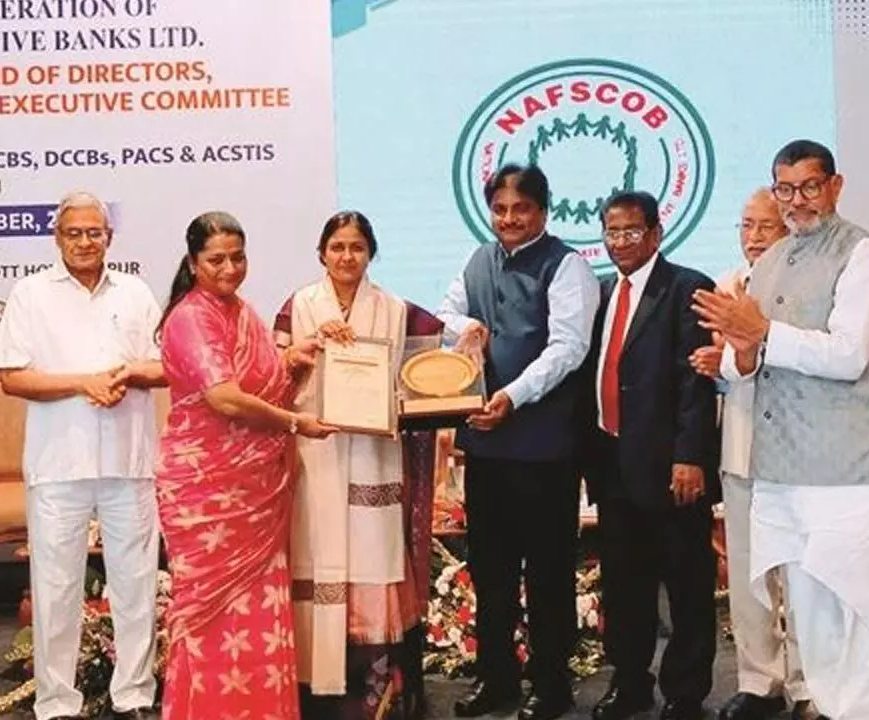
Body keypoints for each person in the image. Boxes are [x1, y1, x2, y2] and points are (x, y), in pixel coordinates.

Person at [693, 139, 869, 720]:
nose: (797, 202)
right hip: (781, 472)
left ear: (834, 186)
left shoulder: (864, 255)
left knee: (853, 625)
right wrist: (737, 349)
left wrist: (759, 331)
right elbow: (750, 363)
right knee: (812, 627)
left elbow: (849, 355)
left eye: (809, 187)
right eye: (785, 189)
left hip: (846, 472)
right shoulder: (769, 263)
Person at [0, 192, 165, 720]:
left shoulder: (134, 292)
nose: (85, 242)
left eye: (95, 232)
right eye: (74, 233)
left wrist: (128, 374)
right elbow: (11, 376)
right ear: (57, 237)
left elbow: (165, 366)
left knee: (136, 587)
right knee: (55, 589)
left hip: (128, 462)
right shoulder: (30, 294)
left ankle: (133, 695)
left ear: (110, 237)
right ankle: (57, 702)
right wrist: (82, 384)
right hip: (57, 465)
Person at [155, 211, 337, 720]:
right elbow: (226, 399)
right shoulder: (191, 316)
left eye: (238, 257)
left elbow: (263, 386)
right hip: (206, 490)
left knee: (259, 610)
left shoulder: (242, 312)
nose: (229, 268)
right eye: (216, 259)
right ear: (193, 264)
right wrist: (296, 423)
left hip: (256, 489)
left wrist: (292, 362)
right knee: (208, 618)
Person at [437, 164, 600, 720]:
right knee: (492, 572)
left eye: (520, 210)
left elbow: (568, 348)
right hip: (485, 449)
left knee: (549, 573)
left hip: (544, 451)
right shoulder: (478, 259)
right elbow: (446, 312)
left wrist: (512, 394)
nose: (508, 220)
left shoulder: (568, 266)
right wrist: (463, 329)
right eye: (500, 210)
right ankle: (498, 681)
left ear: (543, 211)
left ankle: (551, 688)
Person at [273, 211, 444, 719]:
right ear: (321, 253)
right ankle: (313, 696)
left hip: (374, 457)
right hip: (316, 456)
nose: (347, 257)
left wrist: (473, 341)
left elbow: (429, 368)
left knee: (372, 562)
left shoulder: (395, 310)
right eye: (337, 247)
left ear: (371, 254)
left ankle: (380, 698)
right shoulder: (298, 308)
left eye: (357, 248)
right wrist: (304, 354)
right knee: (317, 558)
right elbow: (273, 382)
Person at [582, 191, 718, 720]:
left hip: (670, 469)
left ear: (656, 233)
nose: (620, 242)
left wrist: (690, 456)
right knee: (624, 583)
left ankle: (685, 692)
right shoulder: (601, 294)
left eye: (631, 232)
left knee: (686, 581)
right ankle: (630, 682)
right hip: (612, 463)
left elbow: (695, 383)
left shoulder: (687, 288)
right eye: (611, 233)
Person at [689, 189, 812, 720]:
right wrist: (720, 361)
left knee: (804, 576)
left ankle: (810, 685)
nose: (754, 237)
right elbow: (717, 368)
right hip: (741, 448)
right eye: (746, 226)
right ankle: (760, 683)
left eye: (766, 226)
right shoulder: (724, 287)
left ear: (788, 230)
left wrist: (745, 350)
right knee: (748, 573)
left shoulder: (809, 285)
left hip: (801, 454)